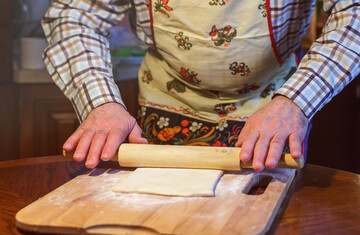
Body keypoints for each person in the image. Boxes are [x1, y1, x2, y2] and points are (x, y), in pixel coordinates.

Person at [41, 0, 359, 170]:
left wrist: (295, 102)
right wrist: (101, 103)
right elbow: (75, 16)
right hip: (165, 102)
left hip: (274, 108)